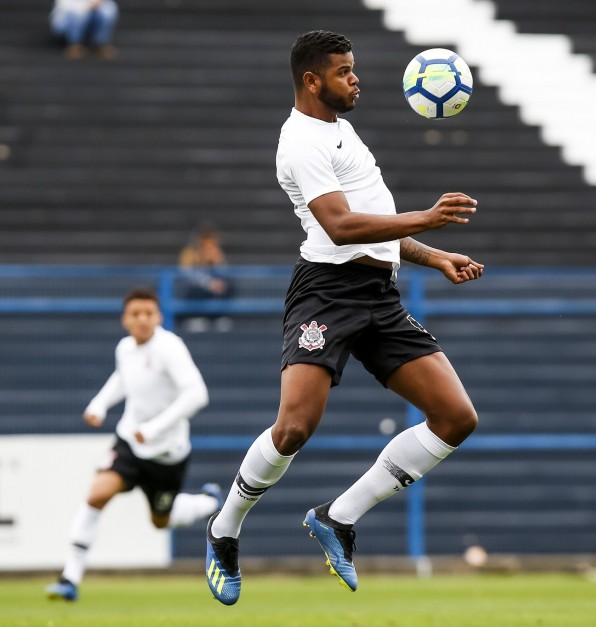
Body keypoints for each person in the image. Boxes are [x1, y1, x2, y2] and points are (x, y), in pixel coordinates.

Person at [204, 30, 484, 605]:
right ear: (312, 80)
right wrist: (428, 219)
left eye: (354, 69)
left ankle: (337, 517)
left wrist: (434, 257)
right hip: (327, 293)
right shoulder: (300, 142)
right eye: (344, 71)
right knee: (294, 428)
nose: (356, 79)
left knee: (456, 417)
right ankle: (224, 529)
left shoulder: (340, 130)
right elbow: (340, 227)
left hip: (378, 295)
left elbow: (375, 223)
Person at [46, 288, 221, 602]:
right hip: (129, 443)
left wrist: (154, 428)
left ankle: (208, 502)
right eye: (135, 314)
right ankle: (69, 577)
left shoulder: (170, 348)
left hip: (167, 455)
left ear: (159, 317)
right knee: (97, 494)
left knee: (159, 521)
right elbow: (123, 378)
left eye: (148, 313)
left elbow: (197, 395)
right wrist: (99, 404)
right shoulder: (125, 348)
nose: (142, 319)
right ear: (125, 319)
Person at [178, 223, 236, 332]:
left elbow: (225, 273)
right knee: (196, 290)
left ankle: (219, 317)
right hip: (194, 289)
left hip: (213, 289)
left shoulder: (217, 253)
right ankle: (195, 316)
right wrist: (207, 282)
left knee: (229, 286)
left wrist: (215, 263)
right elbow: (187, 275)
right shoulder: (189, 253)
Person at [49, 0, 119, 60]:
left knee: (108, 9)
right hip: (65, 25)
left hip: (87, 21)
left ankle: (101, 43)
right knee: (76, 15)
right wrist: (89, 6)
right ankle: (74, 45)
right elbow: (66, 8)